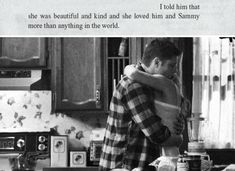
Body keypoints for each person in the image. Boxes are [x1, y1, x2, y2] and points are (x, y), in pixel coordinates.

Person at [99, 39, 186, 171]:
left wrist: (177, 123)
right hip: (124, 165)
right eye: (171, 65)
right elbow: (157, 135)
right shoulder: (133, 86)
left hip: (139, 164)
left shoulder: (152, 84)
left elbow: (175, 110)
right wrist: (179, 138)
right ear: (156, 62)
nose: (174, 71)